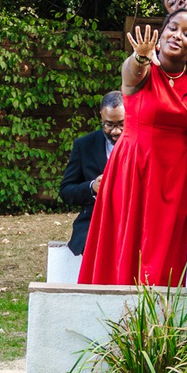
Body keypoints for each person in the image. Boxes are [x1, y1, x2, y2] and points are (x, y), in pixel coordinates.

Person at [78, 6, 187, 287]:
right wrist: (139, 56)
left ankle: (160, 319)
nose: (178, 36)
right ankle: (118, 312)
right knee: (126, 241)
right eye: (173, 28)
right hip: (134, 166)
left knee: (166, 245)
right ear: (161, 34)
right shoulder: (144, 69)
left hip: (177, 172)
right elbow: (130, 73)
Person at [59, 92, 124, 255]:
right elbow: (66, 191)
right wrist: (91, 187)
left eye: (122, 124)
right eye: (109, 125)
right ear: (101, 118)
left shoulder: (142, 146)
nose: (116, 131)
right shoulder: (84, 145)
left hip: (131, 222)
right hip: (94, 222)